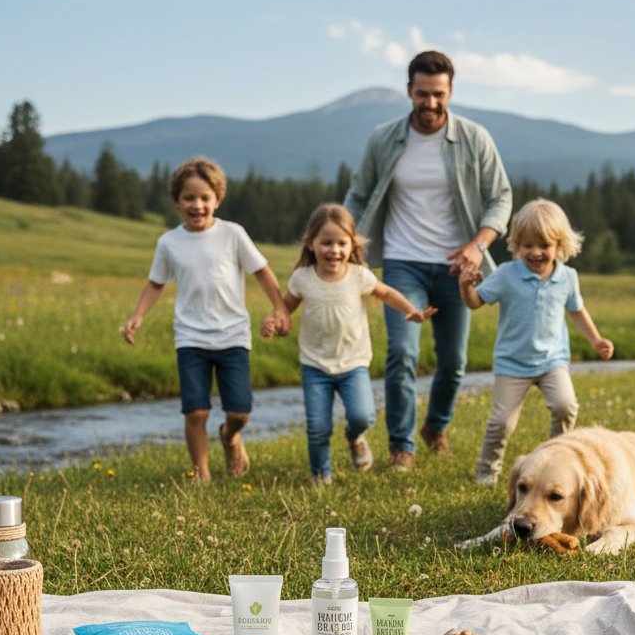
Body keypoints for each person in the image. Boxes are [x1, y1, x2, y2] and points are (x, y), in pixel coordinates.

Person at [344, 49, 512, 470]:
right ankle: (402, 445)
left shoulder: (474, 138)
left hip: (458, 269)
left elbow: (501, 197)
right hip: (402, 261)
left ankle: (435, 427)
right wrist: (350, 244)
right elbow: (358, 194)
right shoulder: (384, 139)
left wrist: (478, 244)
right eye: (422, 94)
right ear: (409, 91)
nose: (430, 103)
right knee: (402, 354)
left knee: (453, 362)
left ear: (450, 92)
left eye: (438, 94)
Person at [123, 156, 290, 482]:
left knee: (240, 412)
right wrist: (138, 315)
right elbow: (156, 284)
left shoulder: (233, 234)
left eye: (204, 198)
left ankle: (230, 436)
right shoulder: (169, 242)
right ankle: (201, 474)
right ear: (177, 201)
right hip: (191, 337)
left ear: (217, 199)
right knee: (196, 411)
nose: (197, 205)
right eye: (189, 198)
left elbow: (262, 272)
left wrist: (280, 308)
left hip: (233, 336)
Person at [262, 203, 433, 484]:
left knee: (363, 416)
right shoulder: (302, 279)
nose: (334, 250)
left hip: (353, 363)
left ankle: (354, 437)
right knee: (318, 427)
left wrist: (409, 309)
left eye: (341, 243)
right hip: (315, 365)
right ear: (311, 244)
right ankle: (321, 476)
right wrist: (275, 322)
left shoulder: (358, 275)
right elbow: (285, 310)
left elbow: (386, 292)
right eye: (326, 243)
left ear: (352, 244)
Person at [458, 197, 615, 486]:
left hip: (552, 361)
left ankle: (558, 460)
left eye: (544, 245)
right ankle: (487, 471)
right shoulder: (506, 275)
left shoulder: (567, 277)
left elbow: (577, 310)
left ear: (560, 246)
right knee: (501, 422)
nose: (536, 252)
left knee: (565, 406)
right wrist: (465, 285)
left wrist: (595, 339)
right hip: (512, 363)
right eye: (527, 245)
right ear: (516, 245)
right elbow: (475, 302)